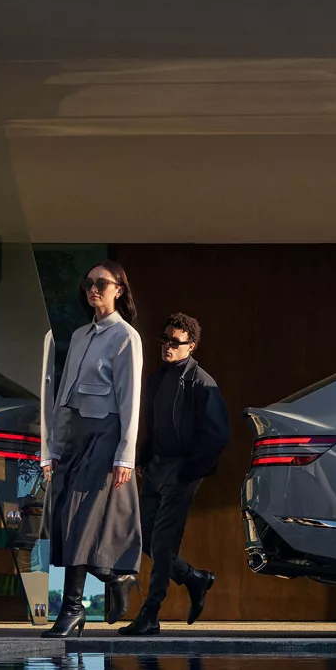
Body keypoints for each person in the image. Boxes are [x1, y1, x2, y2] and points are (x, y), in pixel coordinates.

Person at [40, 261, 145, 638]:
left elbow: (130, 400)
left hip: (107, 432)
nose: (93, 289)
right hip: (76, 436)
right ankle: (117, 576)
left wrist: (125, 456)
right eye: (88, 283)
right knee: (67, 519)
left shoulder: (126, 337)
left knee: (80, 519)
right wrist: (52, 446)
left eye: (101, 283)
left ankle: (72, 610)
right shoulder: (81, 335)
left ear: (119, 289)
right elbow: (64, 396)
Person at [117, 312, 230, 636]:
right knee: (144, 538)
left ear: (190, 346)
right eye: (164, 339)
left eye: (175, 342)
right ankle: (195, 579)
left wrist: (189, 472)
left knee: (163, 542)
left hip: (182, 472)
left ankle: (151, 614)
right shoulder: (157, 379)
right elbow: (154, 425)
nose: (167, 346)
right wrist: (145, 458)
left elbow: (219, 436)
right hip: (156, 468)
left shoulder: (202, 383)